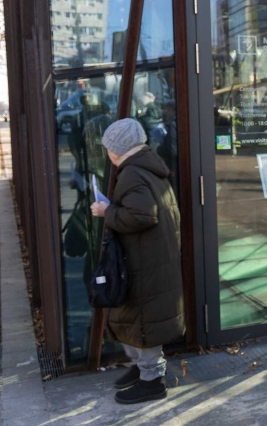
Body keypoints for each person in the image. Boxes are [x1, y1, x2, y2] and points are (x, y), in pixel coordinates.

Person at [90, 118, 184, 405]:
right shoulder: (147, 166)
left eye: (107, 148)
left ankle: (152, 381)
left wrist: (107, 211)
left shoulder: (132, 173)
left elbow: (142, 215)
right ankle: (143, 370)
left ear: (116, 149)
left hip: (146, 260)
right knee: (137, 316)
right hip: (151, 255)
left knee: (144, 318)